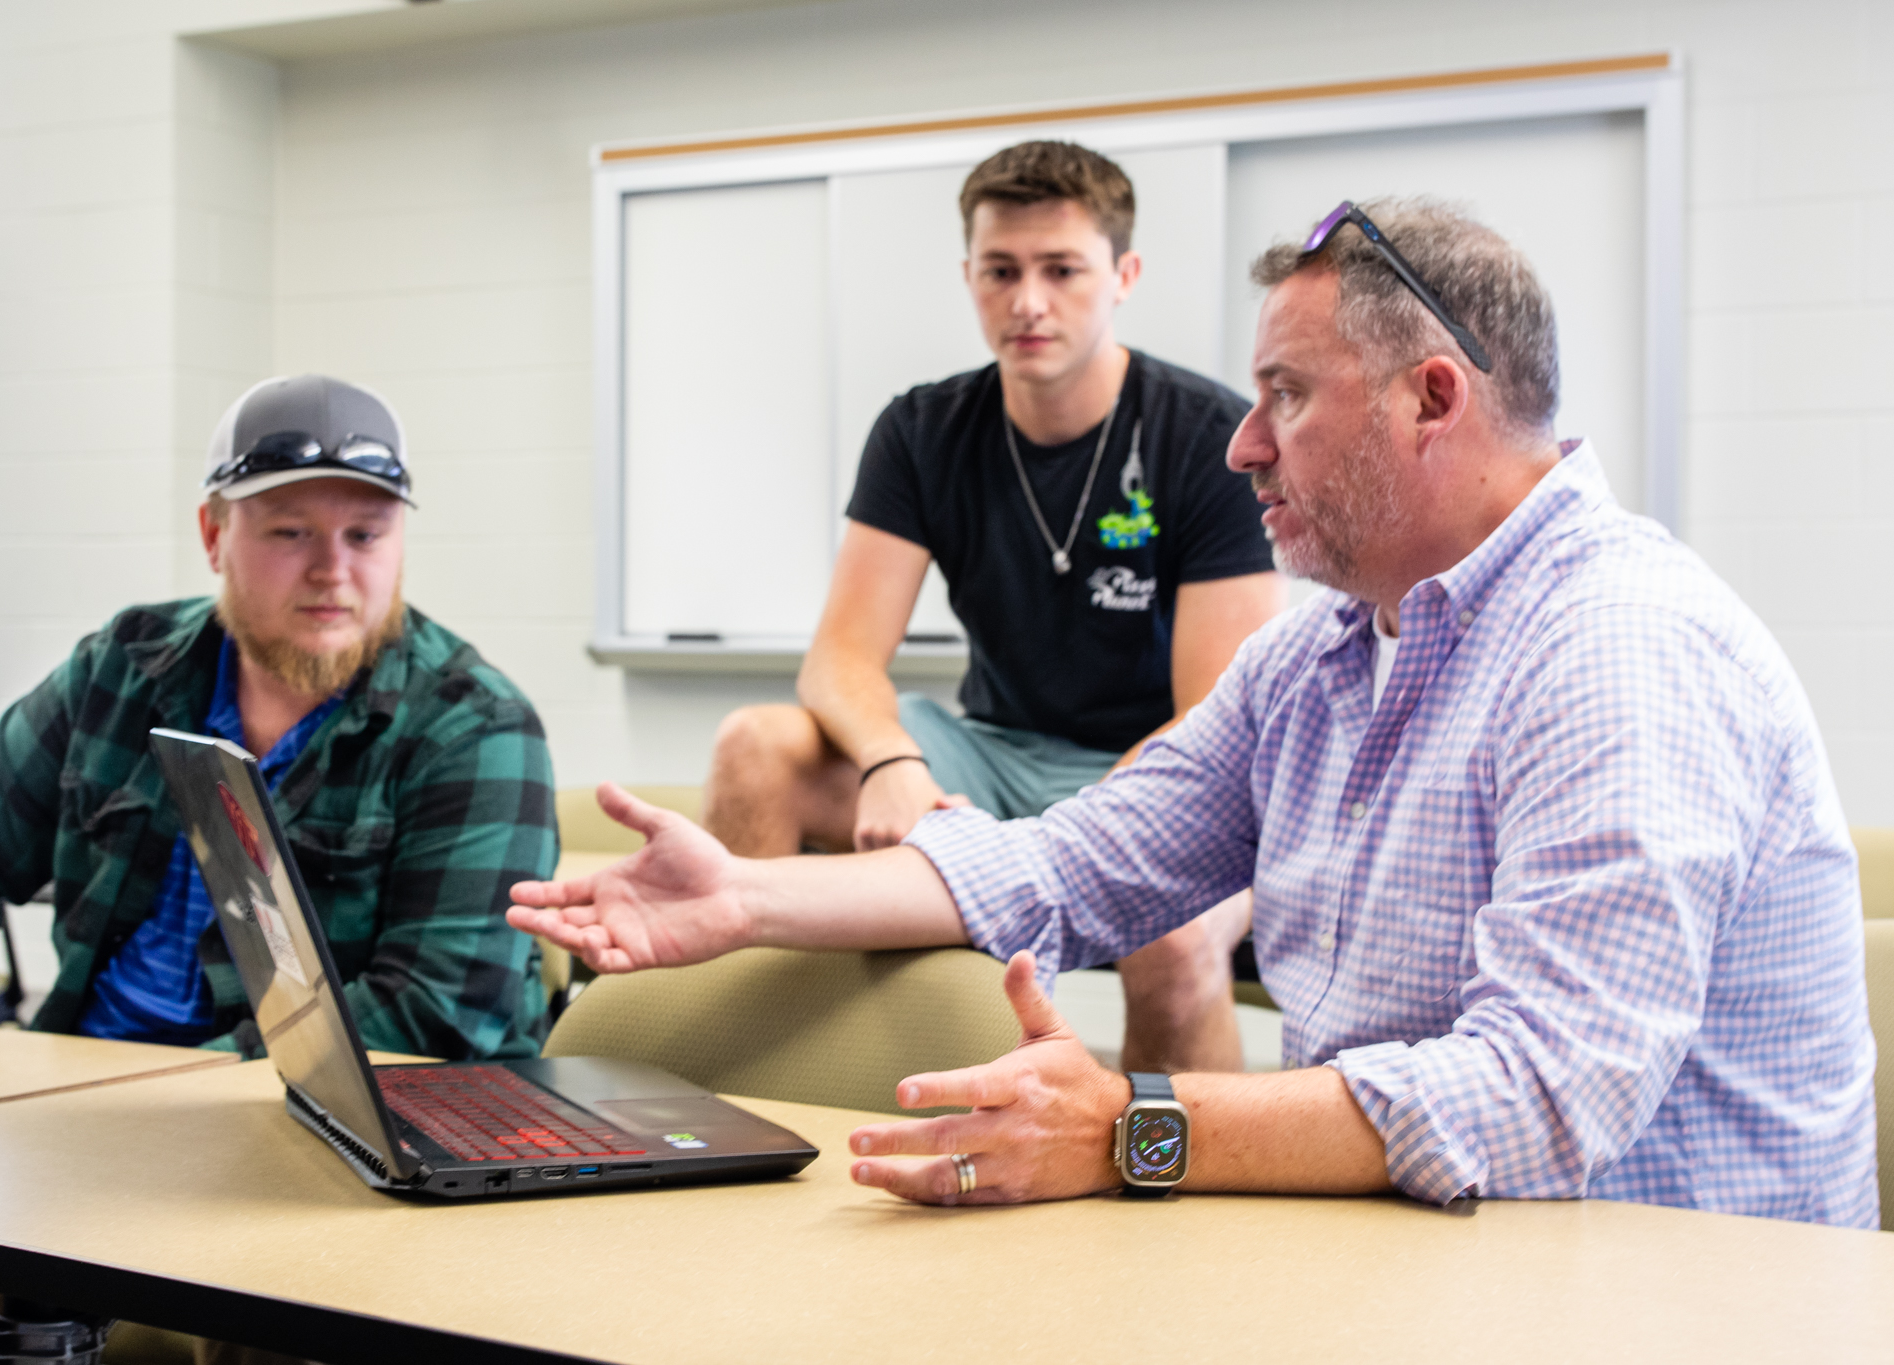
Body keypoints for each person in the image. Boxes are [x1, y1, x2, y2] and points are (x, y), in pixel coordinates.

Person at [511, 201, 1879, 1226]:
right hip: (1428, 1261)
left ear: (1434, 398)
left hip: (1666, 1299)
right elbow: (1073, 859)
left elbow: (1538, 1100)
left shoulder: (1619, 651)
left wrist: (1130, 1128)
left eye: (1285, 394)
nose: (1241, 444)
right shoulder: (1329, 657)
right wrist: (747, 897)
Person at [702, 141, 1283, 1072]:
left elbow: (1209, 721)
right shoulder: (923, 429)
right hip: (998, 751)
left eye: (1062, 270)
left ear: (1124, 274)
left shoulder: (1209, 435)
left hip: (1161, 769)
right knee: (755, 746)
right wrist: (891, 758)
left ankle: (1183, 1196)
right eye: (1001, 271)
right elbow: (839, 660)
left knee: (1173, 937)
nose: (1028, 302)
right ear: (968, 275)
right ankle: (751, 1081)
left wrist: (1078, 841)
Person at [0, 374, 557, 1061]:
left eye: (366, 536)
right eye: (290, 532)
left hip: (321, 1133)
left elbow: (430, 1011)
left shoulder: (475, 728)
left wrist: (160, 1106)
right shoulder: (123, 666)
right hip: (82, 1085)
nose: (331, 569)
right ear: (212, 534)